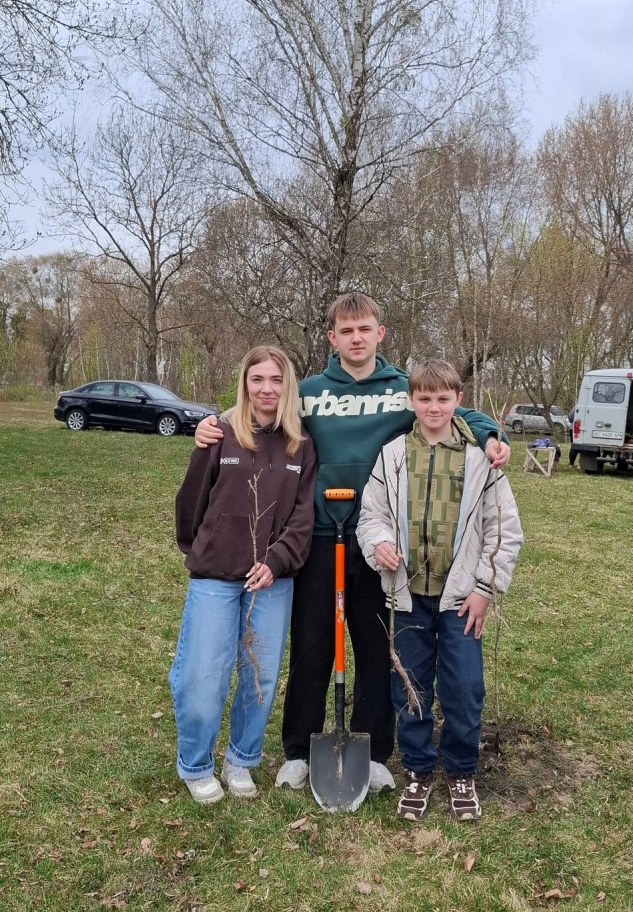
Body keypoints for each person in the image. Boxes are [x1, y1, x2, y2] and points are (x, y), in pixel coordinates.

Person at [194, 294, 510, 795]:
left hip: (382, 541)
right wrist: (212, 421)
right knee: (313, 645)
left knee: (375, 645)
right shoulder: (313, 392)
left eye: (365, 329)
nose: (356, 338)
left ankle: (375, 749)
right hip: (320, 535)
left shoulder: (401, 390)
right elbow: (261, 403)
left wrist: (491, 435)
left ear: (379, 333)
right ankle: (299, 748)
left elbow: (449, 407)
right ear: (332, 338)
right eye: (347, 330)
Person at [356, 359, 523, 820]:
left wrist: (485, 589)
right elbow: (370, 516)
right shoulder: (392, 456)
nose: (433, 407)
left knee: (464, 687)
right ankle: (417, 768)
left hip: (461, 598)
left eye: (443, 399)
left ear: (458, 401)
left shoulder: (480, 459)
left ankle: (462, 770)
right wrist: (380, 544)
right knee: (409, 687)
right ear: (411, 401)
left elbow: (503, 530)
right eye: (424, 398)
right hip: (407, 595)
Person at [170, 346, 316, 803]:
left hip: (271, 581)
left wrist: (275, 562)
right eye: (258, 380)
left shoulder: (302, 445)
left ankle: (241, 759)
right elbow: (192, 498)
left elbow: (302, 518)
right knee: (202, 674)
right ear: (246, 384)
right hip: (216, 575)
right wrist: (202, 548)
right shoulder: (220, 434)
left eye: (276, 380)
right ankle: (196, 763)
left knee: (260, 676)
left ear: (287, 385)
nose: (267, 389)